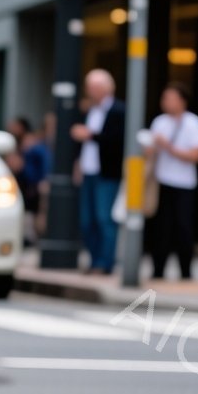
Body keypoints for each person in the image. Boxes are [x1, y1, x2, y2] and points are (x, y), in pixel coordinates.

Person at [145, 83, 198, 281]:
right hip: (161, 181)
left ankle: (186, 272)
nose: (166, 102)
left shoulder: (194, 123)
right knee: (160, 229)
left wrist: (169, 147)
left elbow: (197, 155)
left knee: (183, 228)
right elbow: (148, 153)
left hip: (184, 183)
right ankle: (157, 271)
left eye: (170, 98)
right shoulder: (159, 122)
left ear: (182, 100)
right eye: (164, 98)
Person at [71, 68, 125, 275]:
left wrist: (91, 136)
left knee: (105, 218)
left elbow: (118, 140)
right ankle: (94, 261)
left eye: (94, 87)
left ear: (106, 88)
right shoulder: (88, 111)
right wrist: (78, 164)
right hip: (88, 170)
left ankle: (105, 263)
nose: (90, 91)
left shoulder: (119, 111)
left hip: (107, 173)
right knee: (87, 220)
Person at [7, 116, 50, 246]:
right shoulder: (17, 143)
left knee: (34, 212)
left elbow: (44, 163)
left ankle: (33, 239)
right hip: (22, 183)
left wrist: (43, 179)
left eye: (15, 125)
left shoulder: (34, 144)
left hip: (32, 184)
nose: (11, 128)